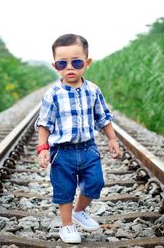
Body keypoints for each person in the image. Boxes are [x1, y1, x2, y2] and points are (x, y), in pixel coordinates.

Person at [34, 34, 121, 244]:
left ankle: (79, 210)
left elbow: (103, 117)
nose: (70, 67)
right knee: (64, 189)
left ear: (87, 63)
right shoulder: (53, 94)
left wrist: (112, 139)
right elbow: (44, 123)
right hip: (62, 152)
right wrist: (42, 148)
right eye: (63, 63)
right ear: (56, 66)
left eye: (77, 62)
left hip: (88, 149)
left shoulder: (93, 90)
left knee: (96, 182)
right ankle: (67, 226)